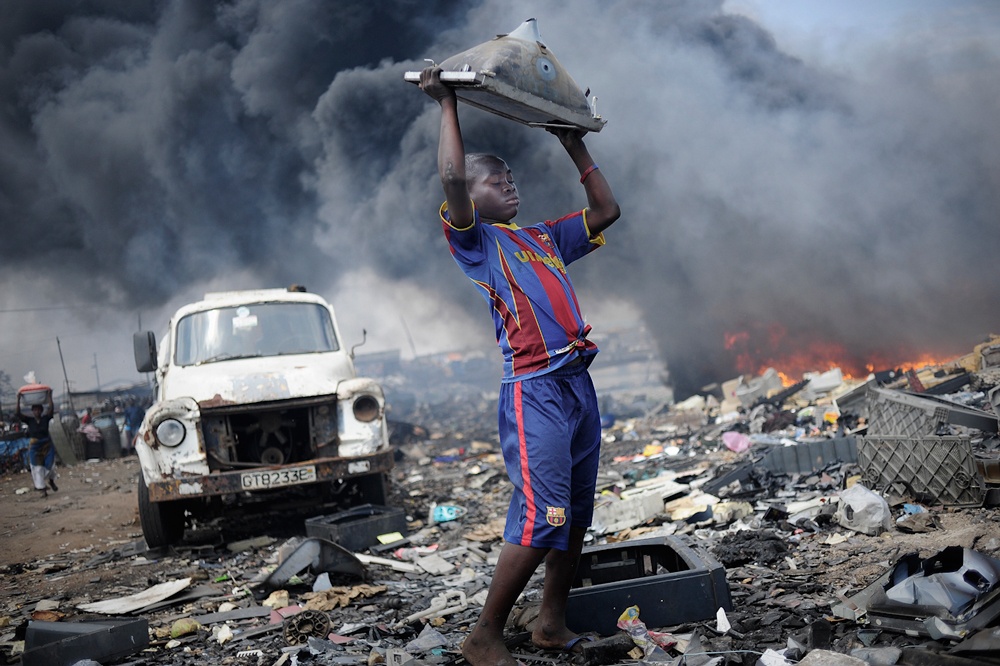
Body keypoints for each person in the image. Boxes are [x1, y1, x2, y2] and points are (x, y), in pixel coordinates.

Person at [419, 66, 621, 666]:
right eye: (496, 179)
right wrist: (447, 101)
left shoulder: (542, 238)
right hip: (535, 393)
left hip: (577, 386)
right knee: (544, 514)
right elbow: (451, 174)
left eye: (511, 178)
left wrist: (572, 143)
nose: (509, 185)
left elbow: (607, 210)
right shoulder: (475, 241)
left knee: (574, 515)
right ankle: (484, 634)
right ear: (469, 195)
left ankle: (550, 624)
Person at [14, 391, 58, 498]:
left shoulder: (45, 418)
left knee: (51, 466)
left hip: (47, 445)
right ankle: (42, 489)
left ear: (41, 411)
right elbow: (18, 413)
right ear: (32, 411)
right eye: (35, 410)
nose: (37, 412)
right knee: (37, 468)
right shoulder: (29, 421)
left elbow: (51, 409)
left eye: (39, 410)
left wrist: (49, 396)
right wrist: (18, 399)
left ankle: (51, 481)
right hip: (35, 447)